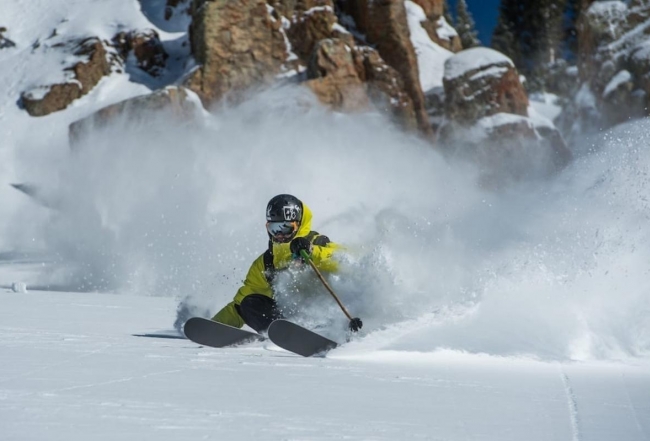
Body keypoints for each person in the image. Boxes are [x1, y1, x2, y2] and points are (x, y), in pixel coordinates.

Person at [212, 194, 357, 333]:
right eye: (274, 229)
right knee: (249, 303)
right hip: (291, 319)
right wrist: (211, 327)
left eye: (285, 228)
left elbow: (346, 259)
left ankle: (319, 332)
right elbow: (239, 305)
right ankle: (284, 334)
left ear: (298, 225)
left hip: (327, 314)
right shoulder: (266, 262)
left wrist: (312, 252)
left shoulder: (316, 243)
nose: (280, 235)